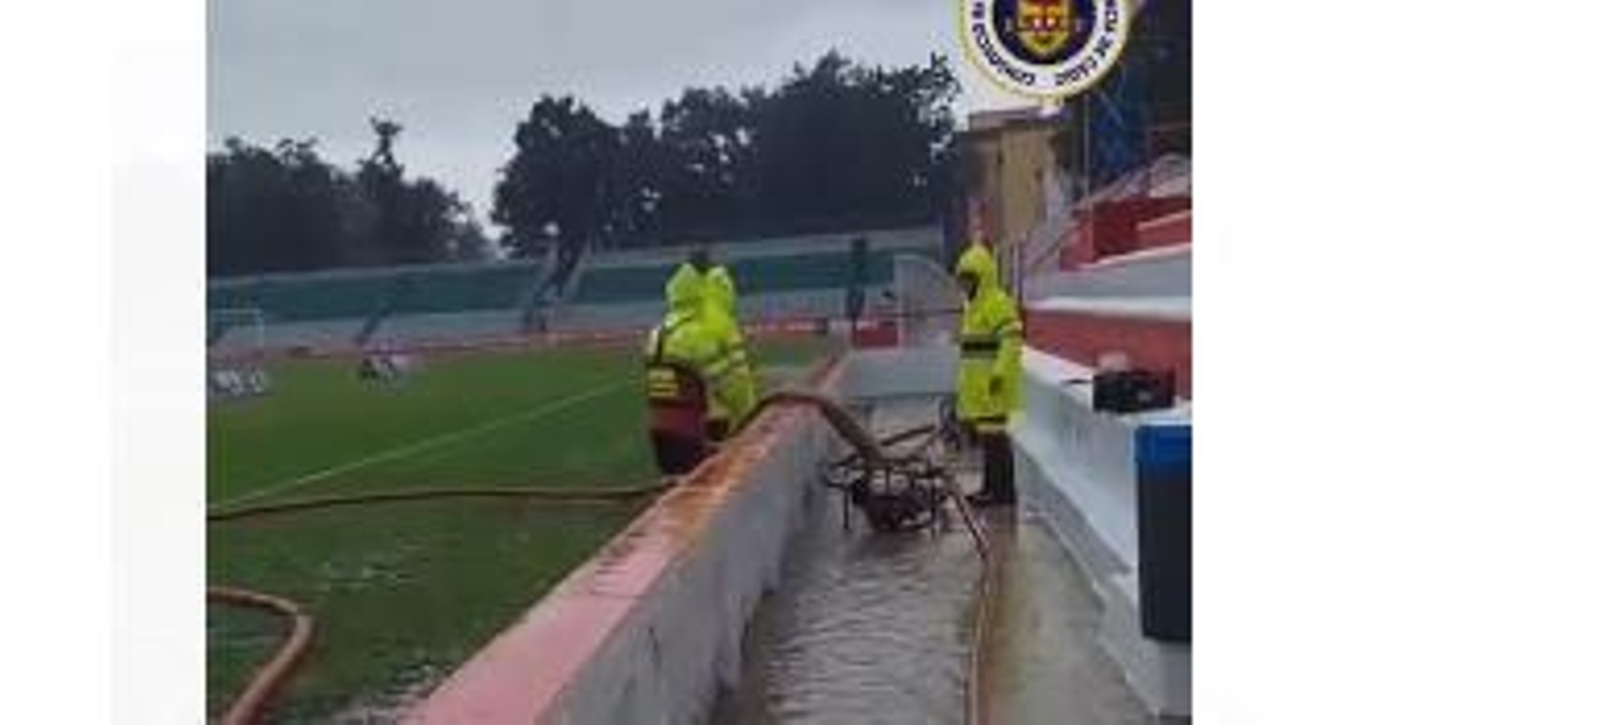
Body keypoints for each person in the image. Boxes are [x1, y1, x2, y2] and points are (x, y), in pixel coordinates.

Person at [643, 263, 743, 474]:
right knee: (705, 488)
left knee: (674, 485)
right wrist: (749, 416)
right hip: (690, 432)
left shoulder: (656, 332)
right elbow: (729, 387)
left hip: (658, 431)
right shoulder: (696, 333)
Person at [954, 241, 1024, 507]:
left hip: (994, 387)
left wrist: (999, 373)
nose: (964, 285)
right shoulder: (973, 307)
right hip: (980, 389)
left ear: (981, 277)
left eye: (968, 279)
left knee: (996, 441)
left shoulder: (996, 302)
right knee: (989, 441)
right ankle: (992, 489)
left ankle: (1002, 493)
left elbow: (1011, 340)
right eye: (962, 280)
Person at [702, 262, 758, 438]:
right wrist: (747, 408)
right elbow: (736, 370)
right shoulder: (724, 323)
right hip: (724, 407)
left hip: (706, 407)